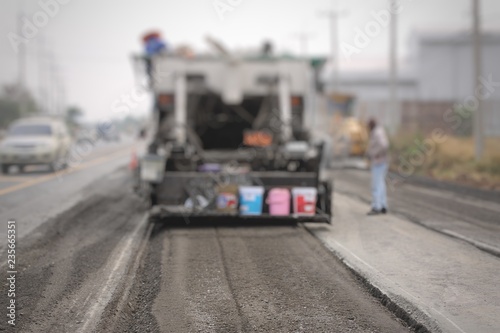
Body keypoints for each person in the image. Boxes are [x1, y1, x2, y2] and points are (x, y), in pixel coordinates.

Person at [366, 118, 389, 215]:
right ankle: (383, 205)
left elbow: (384, 145)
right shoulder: (379, 131)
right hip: (382, 161)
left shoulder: (376, 132)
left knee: (376, 185)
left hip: (378, 162)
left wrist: (373, 153)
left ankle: (376, 207)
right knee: (381, 184)